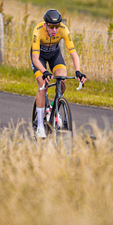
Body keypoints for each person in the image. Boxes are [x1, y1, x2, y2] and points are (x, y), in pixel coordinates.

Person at [31, 8, 86, 138]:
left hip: (55, 55)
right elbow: (35, 59)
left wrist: (78, 71)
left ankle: (52, 107)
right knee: (42, 86)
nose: (55, 30)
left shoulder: (64, 30)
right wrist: (44, 72)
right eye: (51, 27)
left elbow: (74, 54)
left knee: (62, 81)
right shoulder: (37, 31)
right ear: (45, 25)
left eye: (57, 26)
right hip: (40, 58)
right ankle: (39, 126)